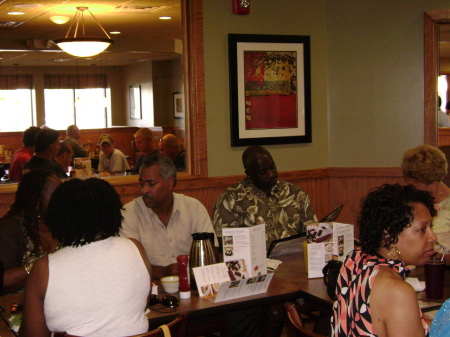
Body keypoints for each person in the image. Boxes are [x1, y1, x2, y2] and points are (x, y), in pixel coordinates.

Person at [19, 178, 151, 337]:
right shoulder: (135, 249)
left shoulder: (44, 269)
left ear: (58, 217)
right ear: (111, 211)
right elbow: (140, 305)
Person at [331, 183, 436, 337]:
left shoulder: (354, 259)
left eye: (430, 227)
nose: (433, 237)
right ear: (390, 236)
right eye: (422, 229)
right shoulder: (398, 292)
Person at [120, 154, 217, 280]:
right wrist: (163, 272)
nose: (144, 190)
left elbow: (211, 253)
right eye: (141, 184)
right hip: (150, 288)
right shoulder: (129, 213)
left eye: (151, 184)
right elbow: (128, 264)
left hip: (192, 284)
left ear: (170, 183)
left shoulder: (194, 208)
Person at [213, 145, 317, 250]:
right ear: (249, 173)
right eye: (263, 172)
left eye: (272, 167)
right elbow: (225, 244)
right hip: (257, 262)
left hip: (294, 257)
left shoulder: (295, 192)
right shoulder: (231, 199)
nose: (271, 174)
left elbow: (312, 230)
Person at [0, 170, 61, 294]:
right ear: (36, 199)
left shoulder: (65, 224)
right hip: (22, 305)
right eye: (57, 195)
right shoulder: (11, 228)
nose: (63, 200)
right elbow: (4, 281)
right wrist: (41, 265)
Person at [401, 144, 450, 254]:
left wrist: (438, 258)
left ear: (434, 183)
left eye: (416, 185)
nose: (411, 188)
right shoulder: (410, 202)